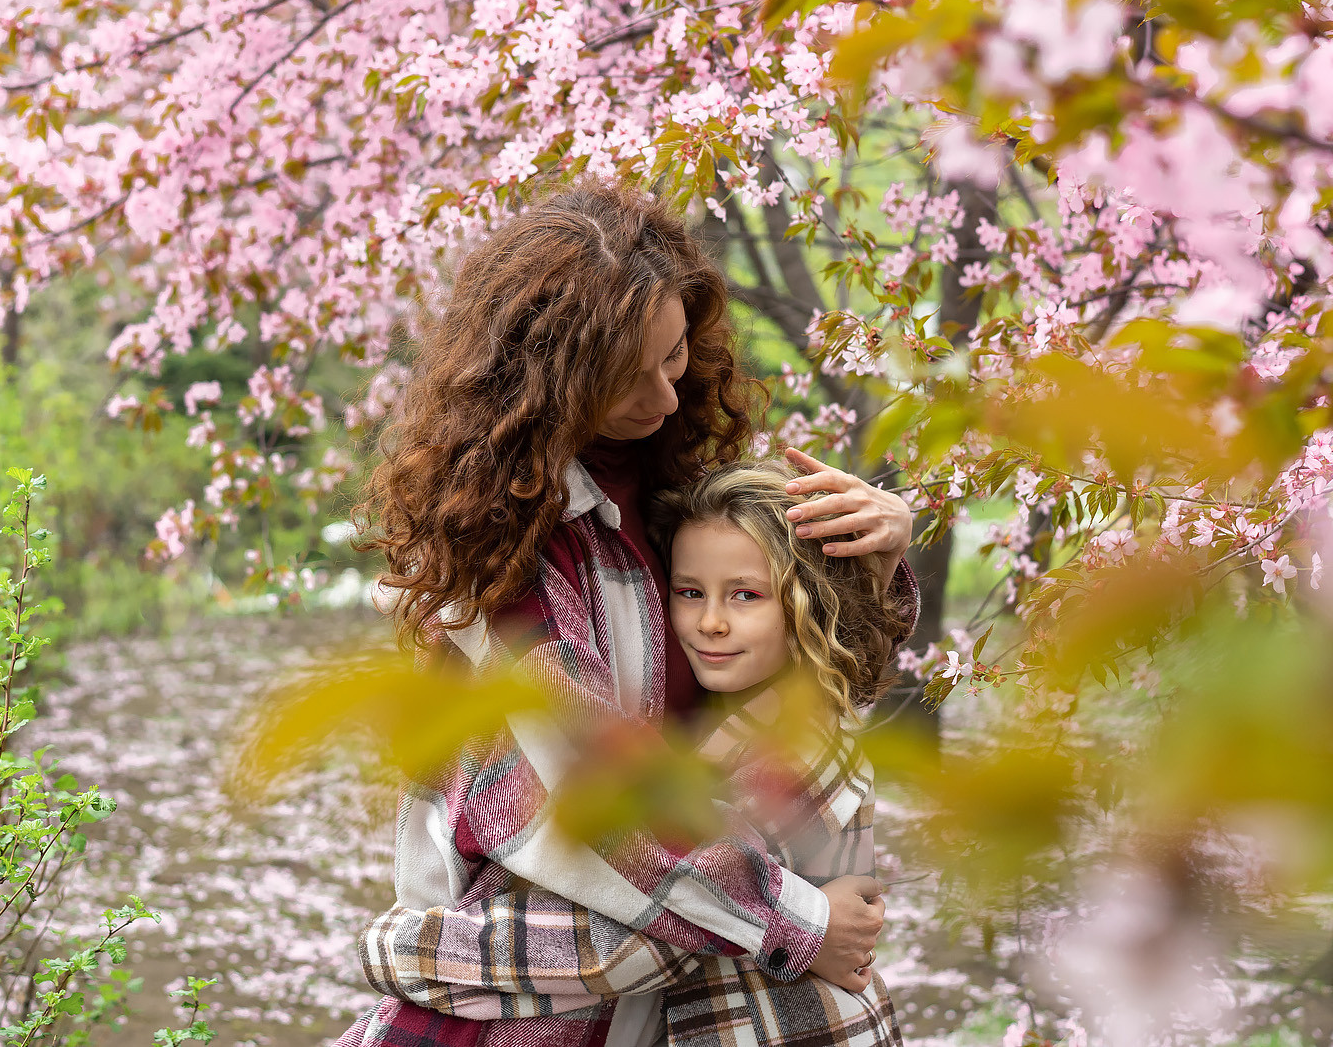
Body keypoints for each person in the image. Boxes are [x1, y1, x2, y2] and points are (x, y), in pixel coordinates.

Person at [336, 184, 916, 1047]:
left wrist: (875, 560)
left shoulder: (673, 486)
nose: (668, 397)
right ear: (549, 381)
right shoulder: (504, 567)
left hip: (664, 996)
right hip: (532, 1014)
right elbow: (601, 805)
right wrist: (796, 920)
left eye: (676, 354)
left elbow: (816, 672)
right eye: (624, 377)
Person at [357, 459, 915, 1047]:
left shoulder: (798, 746)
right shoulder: (740, 712)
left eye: (746, 596)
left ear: (808, 604)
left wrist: (406, 952)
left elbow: (637, 942)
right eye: (690, 592)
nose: (711, 622)